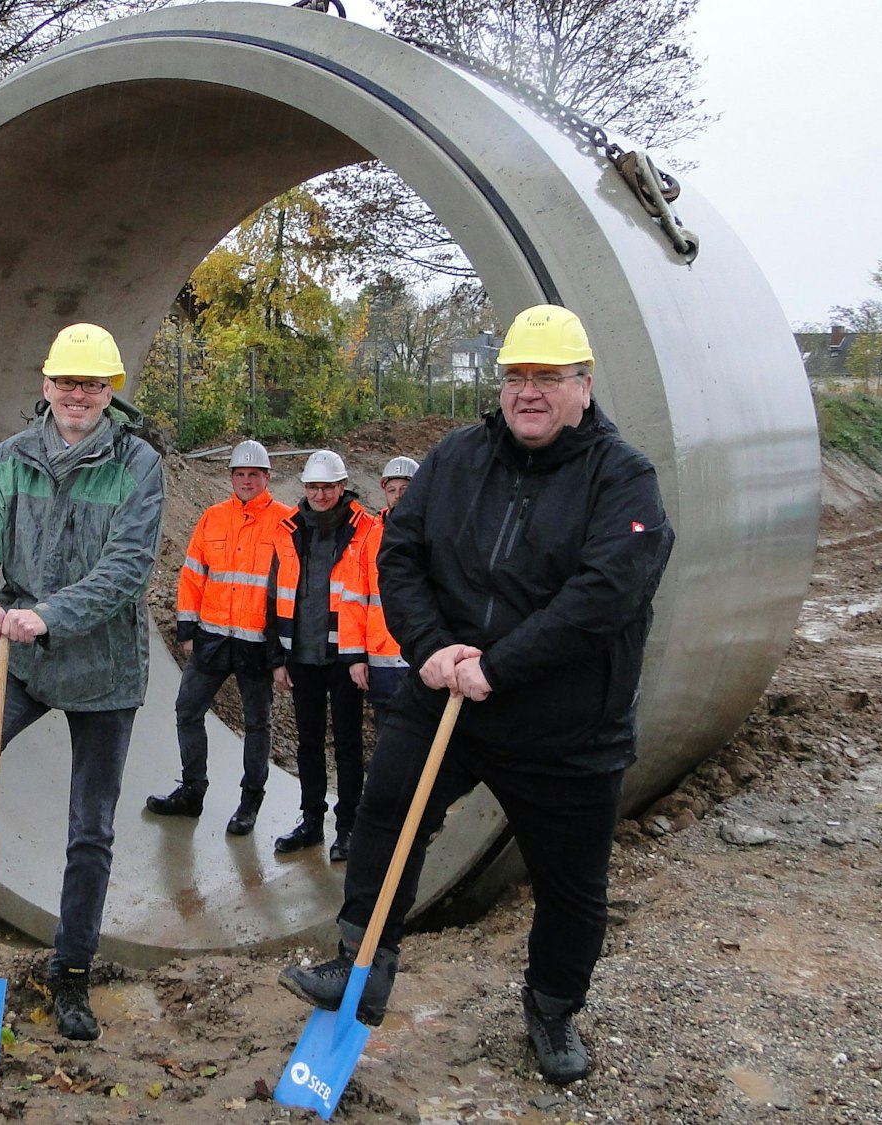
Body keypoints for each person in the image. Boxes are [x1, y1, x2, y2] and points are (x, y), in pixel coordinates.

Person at [280, 305, 674, 1085]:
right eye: (517, 376)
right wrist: (429, 651)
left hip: (567, 722)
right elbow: (401, 553)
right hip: (448, 695)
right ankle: (362, 963)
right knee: (386, 812)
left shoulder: (622, 478)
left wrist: (499, 665)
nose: (530, 392)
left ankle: (552, 1008)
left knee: (571, 884)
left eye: (549, 378)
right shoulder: (457, 459)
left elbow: (605, 595)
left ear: (583, 387)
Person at [0, 322, 166, 1044]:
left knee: (89, 825)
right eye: (67, 382)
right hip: (19, 658)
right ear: (46, 385)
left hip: (103, 666)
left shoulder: (138, 465)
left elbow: (126, 571)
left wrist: (48, 615)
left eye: (92, 384)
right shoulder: (12, 458)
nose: (78, 395)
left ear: (109, 391)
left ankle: (73, 970)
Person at [145, 440, 293, 836]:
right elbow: (193, 574)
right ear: (231, 477)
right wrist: (187, 629)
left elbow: (293, 589)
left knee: (257, 724)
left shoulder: (286, 522)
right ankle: (192, 792)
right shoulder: (213, 517)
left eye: (253, 475)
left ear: (267, 477)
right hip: (211, 639)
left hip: (257, 645)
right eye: (240, 474)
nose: (246, 481)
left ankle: (250, 802)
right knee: (187, 711)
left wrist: (283, 652)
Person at [271, 449, 375, 862]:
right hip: (301, 654)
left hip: (344, 655)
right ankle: (312, 819)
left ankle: (348, 825)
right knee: (308, 742)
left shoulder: (364, 529)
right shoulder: (289, 529)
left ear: (342, 487)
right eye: (313, 487)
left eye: (327, 487)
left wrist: (360, 654)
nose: (320, 494)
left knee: (348, 743)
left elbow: (367, 593)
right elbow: (274, 593)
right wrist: (277, 657)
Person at [340, 456, 419, 727]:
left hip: (420, 658)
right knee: (387, 739)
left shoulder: (435, 532)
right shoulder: (369, 537)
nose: (398, 497)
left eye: (405, 490)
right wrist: (355, 658)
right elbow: (353, 600)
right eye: (392, 490)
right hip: (381, 661)